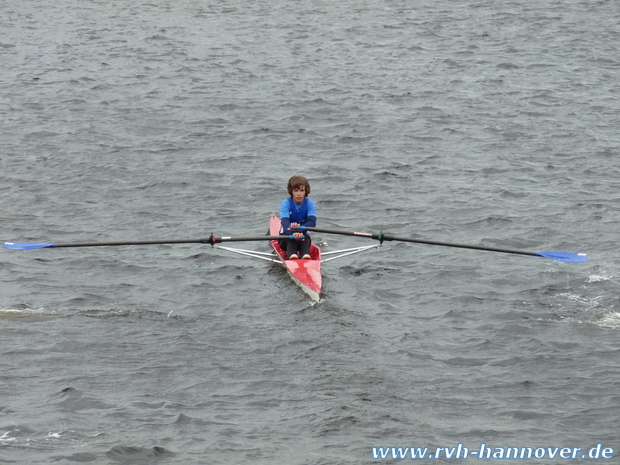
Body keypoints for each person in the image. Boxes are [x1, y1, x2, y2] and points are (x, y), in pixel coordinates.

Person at [279, 176, 317, 259]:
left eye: (302, 190)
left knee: (305, 238)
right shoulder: (286, 204)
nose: (299, 194)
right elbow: (285, 224)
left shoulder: (310, 204)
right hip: (285, 237)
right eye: (296, 191)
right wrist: (293, 232)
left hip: (302, 235)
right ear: (291, 192)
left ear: (305, 191)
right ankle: (292, 257)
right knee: (292, 239)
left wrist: (300, 230)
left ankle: (306, 257)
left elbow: (312, 222)